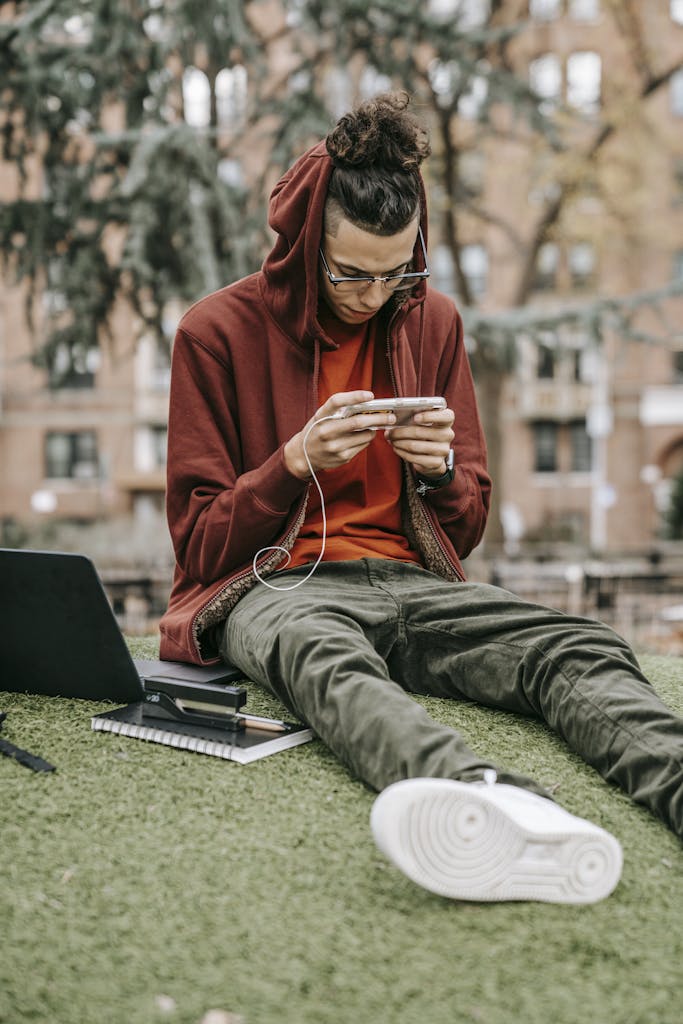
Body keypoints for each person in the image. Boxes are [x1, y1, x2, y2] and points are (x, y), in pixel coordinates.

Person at [159, 92, 682, 904]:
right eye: (349, 273)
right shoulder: (215, 333)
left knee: (576, 644)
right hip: (281, 589)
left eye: (394, 270)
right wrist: (291, 463)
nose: (372, 294)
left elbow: (464, 524)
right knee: (326, 663)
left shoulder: (431, 321)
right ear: (304, 244)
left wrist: (438, 472)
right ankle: (488, 808)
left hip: (415, 585)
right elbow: (197, 545)